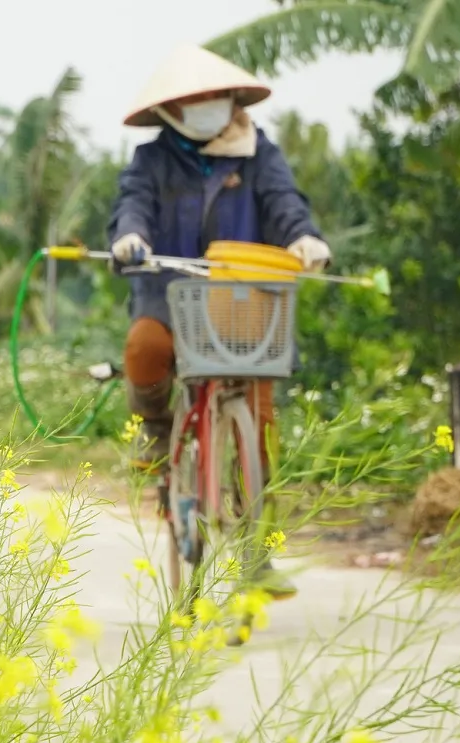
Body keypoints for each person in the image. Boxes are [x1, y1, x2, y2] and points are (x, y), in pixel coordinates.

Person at [106, 44, 329, 598]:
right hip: (169, 294)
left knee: (260, 422)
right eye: (194, 98)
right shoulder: (152, 160)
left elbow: (284, 203)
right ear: (172, 109)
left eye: (215, 96)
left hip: (242, 302)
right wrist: (129, 236)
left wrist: (303, 238)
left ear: (233, 100)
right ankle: (158, 434)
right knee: (143, 350)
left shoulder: (259, 155)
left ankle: (257, 553)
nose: (208, 105)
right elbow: (132, 204)